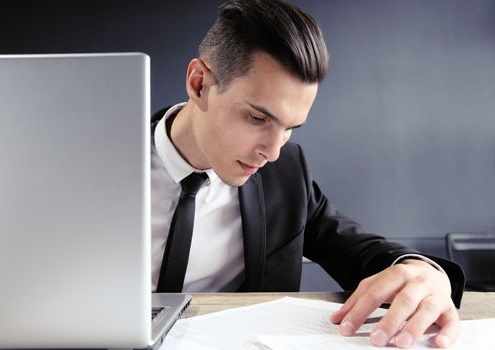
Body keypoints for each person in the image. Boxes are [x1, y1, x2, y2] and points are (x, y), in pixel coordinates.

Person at [150, 0, 465, 348]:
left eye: (290, 128)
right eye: (258, 118)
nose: (271, 152)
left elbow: (358, 250)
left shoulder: (284, 171)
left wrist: (424, 273)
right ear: (199, 84)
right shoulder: (94, 162)